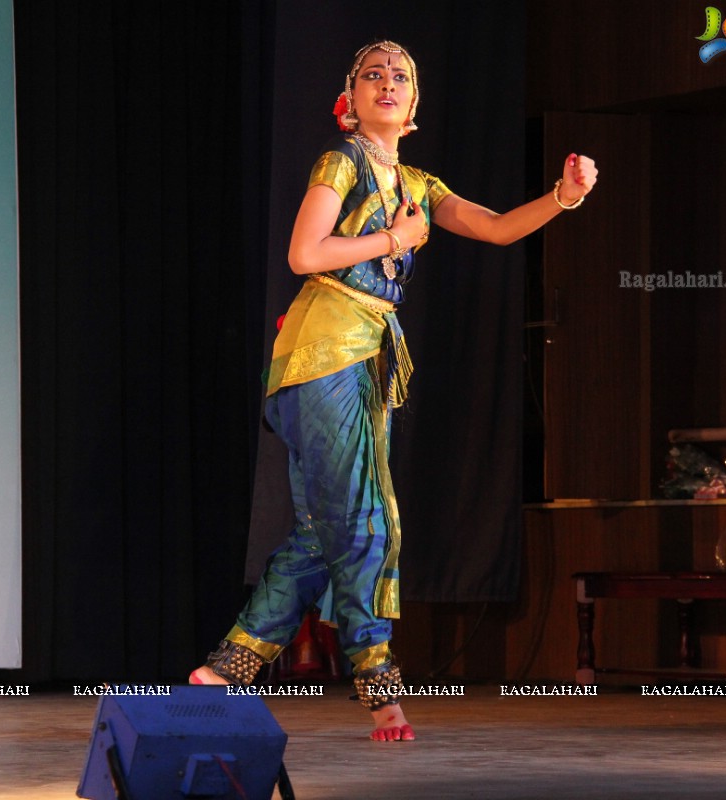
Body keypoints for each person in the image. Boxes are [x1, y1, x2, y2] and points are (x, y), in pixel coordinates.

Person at [190, 40, 597, 742]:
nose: (387, 81)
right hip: (324, 354)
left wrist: (563, 198)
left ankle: (226, 669)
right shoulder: (339, 161)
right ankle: (379, 687)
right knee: (372, 519)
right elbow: (305, 254)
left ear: (413, 109)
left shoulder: (420, 186)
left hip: (355, 359)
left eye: (400, 76)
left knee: (325, 530)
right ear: (347, 104)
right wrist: (392, 242)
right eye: (371, 74)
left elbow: (498, 229)